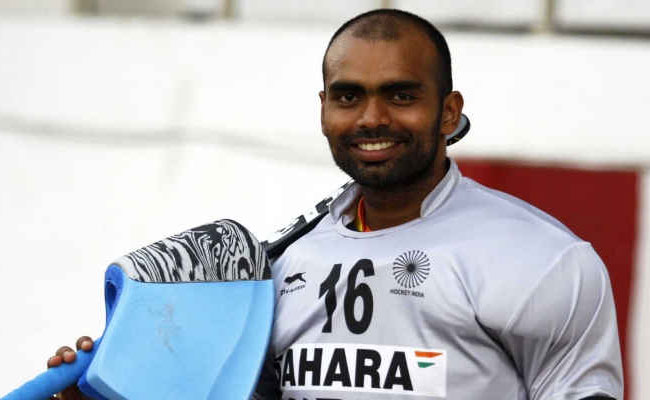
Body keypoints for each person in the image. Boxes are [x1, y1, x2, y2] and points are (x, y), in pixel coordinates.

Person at [48, 8, 623, 400]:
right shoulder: (276, 265)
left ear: (449, 112)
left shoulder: (542, 260)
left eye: (400, 95)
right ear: (324, 109)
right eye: (349, 97)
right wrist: (106, 388)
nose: (372, 118)